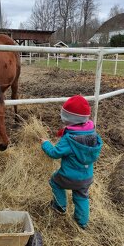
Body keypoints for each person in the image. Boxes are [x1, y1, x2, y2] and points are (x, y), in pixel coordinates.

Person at [40, 95, 103, 229]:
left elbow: (54, 153)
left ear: (67, 118)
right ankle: (82, 223)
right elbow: (79, 131)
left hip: (68, 176)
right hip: (86, 177)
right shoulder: (92, 134)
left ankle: (60, 206)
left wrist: (45, 144)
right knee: (82, 197)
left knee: (54, 182)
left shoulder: (69, 139)